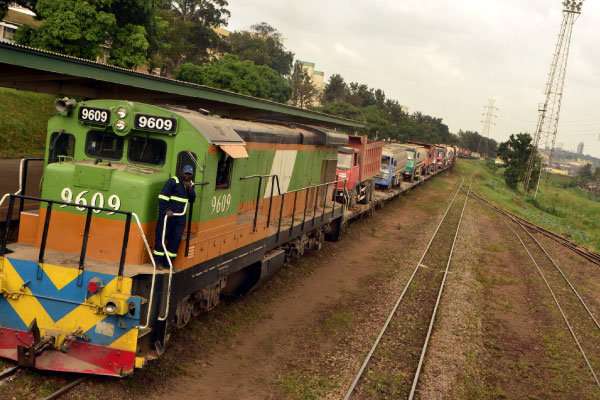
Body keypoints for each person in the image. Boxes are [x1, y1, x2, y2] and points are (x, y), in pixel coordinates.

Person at [153, 165, 196, 269]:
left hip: (180, 217)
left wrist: (190, 188)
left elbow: (192, 200)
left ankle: (168, 263)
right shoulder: (173, 181)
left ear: (192, 175)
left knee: (175, 239)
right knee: (162, 238)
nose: (187, 176)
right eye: (186, 173)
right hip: (167, 217)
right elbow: (162, 198)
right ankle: (157, 262)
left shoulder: (191, 185)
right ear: (182, 173)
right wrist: (167, 210)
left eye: (189, 174)